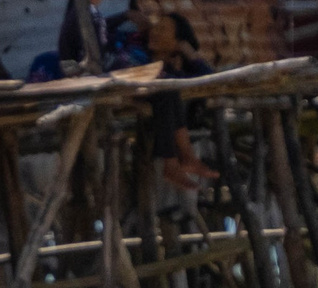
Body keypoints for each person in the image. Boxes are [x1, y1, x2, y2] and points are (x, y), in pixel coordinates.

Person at [49, 0, 217, 190]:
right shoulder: (132, 41)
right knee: (166, 89)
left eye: (163, 29)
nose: (155, 31)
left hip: (126, 85)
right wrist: (125, 16)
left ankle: (181, 160)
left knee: (168, 90)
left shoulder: (170, 71)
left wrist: (190, 52)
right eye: (155, 27)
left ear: (176, 44)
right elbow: (94, 29)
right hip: (97, 78)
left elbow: (207, 79)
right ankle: (179, 160)